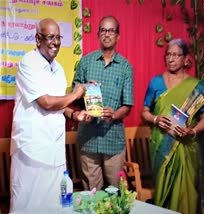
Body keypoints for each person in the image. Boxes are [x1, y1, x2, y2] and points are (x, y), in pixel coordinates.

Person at [10, 18, 87, 213]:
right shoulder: (29, 62)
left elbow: (59, 104)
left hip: (54, 150)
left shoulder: (59, 69)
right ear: (38, 39)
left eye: (58, 37)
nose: (55, 42)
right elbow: (45, 103)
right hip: (32, 151)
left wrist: (74, 115)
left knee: (55, 205)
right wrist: (76, 94)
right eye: (50, 37)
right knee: (29, 205)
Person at [141, 38, 204, 214]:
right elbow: (144, 111)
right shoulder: (156, 83)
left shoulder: (196, 87)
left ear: (185, 59)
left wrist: (192, 131)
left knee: (187, 195)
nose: (171, 58)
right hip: (161, 147)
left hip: (187, 147)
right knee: (163, 195)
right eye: (168, 54)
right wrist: (155, 119)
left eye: (176, 55)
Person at [71, 15, 134, 191]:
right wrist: (83, 88)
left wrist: (113, 114)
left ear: (118, 36)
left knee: (117, 192)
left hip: (113, 139)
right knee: (92, 193)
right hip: (88, 139)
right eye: (103, 30)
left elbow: (127, 106)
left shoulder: (125, 67)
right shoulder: (86, 62)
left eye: (111, 30)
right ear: (98, 34)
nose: (106, 34)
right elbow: (73, 95)